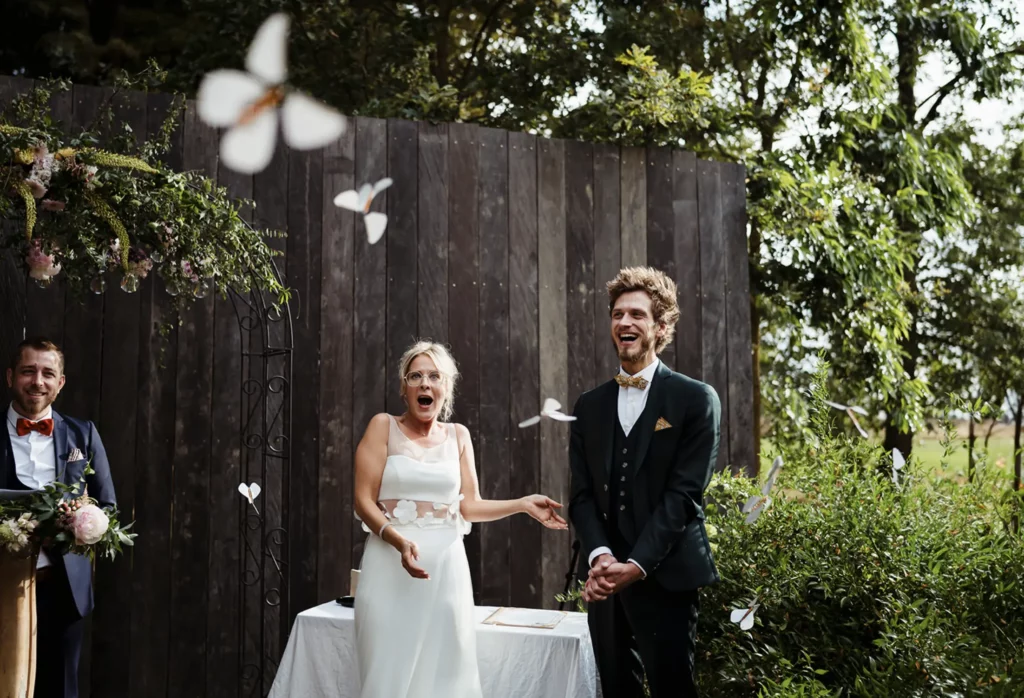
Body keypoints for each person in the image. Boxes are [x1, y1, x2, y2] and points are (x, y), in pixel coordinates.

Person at [353, 340, 568, 698]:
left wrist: (523, 504)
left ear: (446, 388)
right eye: (416, 376)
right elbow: (363, 500)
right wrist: (398, 541)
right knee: (387, 675)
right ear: (403, 388)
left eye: (434, 376)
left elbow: (470, 506)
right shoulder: (382, 427)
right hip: (388, 565)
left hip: (447, 574)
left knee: (447, 675)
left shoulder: (459, 436)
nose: (425, 383)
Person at [568, 267, 721, 698]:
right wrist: (601, 558)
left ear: (661, 326)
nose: (624, 323)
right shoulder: (589, 405)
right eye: (617, 314)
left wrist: (633, 567)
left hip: (666, 576)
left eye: (636, 314)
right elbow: (581, 495)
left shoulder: (695, 399)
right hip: (604, 582)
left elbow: (685, 496)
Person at [2, 337, 116, 698]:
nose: (38, 381)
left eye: (48, 373)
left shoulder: (84, 433)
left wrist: (80, 524)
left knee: (61, 689)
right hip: (1, 586)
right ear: (10, 377)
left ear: (60, 383)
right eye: (28, 371)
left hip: (64, 588)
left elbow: (107, 507)